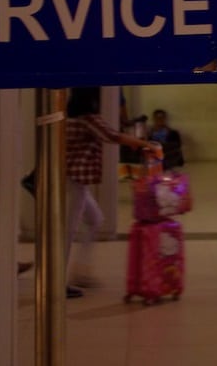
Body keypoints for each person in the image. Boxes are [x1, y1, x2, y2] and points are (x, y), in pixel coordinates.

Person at [64, 87, 149, 297]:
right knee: (68, 231)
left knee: (94, 220)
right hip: (74, 181)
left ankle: (80, 271)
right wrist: (143, 144)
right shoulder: (87, 119)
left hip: (72, 180)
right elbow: (112, 135)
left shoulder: (68, 118)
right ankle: (58, 279)